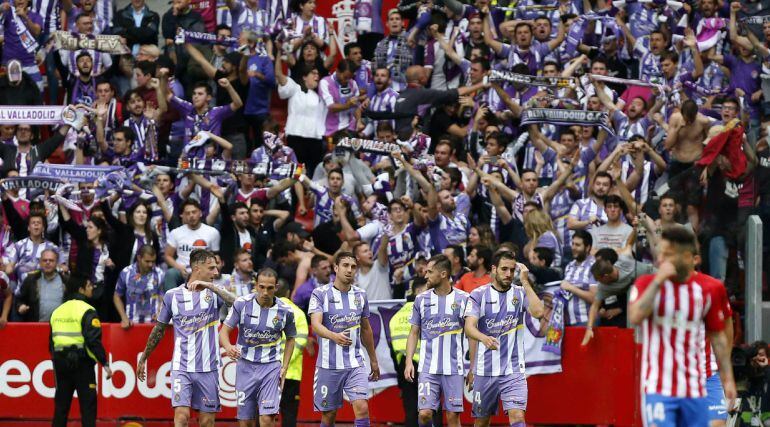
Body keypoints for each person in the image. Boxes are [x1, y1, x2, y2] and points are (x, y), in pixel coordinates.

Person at [629, 226, 736, 426]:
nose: (661, 259)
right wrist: (659, 280)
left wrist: (727, 378)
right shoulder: (646, 284)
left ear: (688, 257)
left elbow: (718, 336)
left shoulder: (709, 289)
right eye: (660, 253)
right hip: (658, 387)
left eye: (668, 255)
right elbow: (635, 316)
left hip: (696, 386)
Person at [136, 249, 236, 427]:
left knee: (206, 421)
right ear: (197, 268)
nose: (216, 272)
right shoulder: (172, 296)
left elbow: (237, 304)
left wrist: (211, 287)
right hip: (182, 366)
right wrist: (144, 356)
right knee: (181, 417)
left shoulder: (214, 293)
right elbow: (159, 329)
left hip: (209, 368)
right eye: (211, 268)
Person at [464, 251, 544, 427]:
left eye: (512, 270)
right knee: (482, 422)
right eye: (504, 269)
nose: (508, 274)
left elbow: (539, 312)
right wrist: (483, 338)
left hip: (513, 370)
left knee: (517, 417)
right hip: (485, 371)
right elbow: (469, 327)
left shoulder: (520, 293)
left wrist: (524, 281)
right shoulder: (478, 295)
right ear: (494, 269)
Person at [308, 251, 380, 427]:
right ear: (336, 268)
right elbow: (315, 325)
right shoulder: (320, 294)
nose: (350, 270)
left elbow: (366, 329)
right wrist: (334, 336)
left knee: (362, 407)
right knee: (329, 414)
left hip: (355, 363)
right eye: (345, 266)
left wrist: (373, 360)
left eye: (353, 267)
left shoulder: (360, 295)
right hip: (328, 365)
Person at [220, 268, 296, 427]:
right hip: (245, 367)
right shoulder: (241, 304)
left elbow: (291, 338)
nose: (265, 292)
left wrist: (285, 366)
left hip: (271, 367)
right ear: (256, 285)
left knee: (267, 419)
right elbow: (224, 332)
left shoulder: (286, 311)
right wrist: (228, 347)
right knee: (246, 421)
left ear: (276, 287)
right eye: (261, 287)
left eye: (270, 288)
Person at [404, 254, 469, 427]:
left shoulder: (464, 299)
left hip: (454, 368)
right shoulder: (421, 300)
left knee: (453, 417)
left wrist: (473, 368)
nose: (425, 276)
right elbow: (413, 332)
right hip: (428, 368)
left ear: (443, 274)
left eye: (430, 272)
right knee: (424, 414)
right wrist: (409, 361)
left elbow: (471, 335)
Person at [50, 275, 112, 427]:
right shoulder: (88, 310)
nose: (92, 288)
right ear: (81, 289)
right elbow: (93, 341)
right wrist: (104, 362)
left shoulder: (57, 311)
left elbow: (50, 342)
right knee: (88, 407)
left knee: (61, 407)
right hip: (82, 364)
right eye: (90, 285)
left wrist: (58, 358)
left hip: (60, 362)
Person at [113, 246, 165, 328]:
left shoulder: (160, 274)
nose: (150, 264)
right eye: (147, 261)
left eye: (153, 261)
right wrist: (124, 317)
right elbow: (117, 296)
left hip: (153, 324)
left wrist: (160, 312)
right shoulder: (126, 273)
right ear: (139, 258)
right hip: (131, 324)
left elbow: (163, 296)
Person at [17, 249, 64, 322]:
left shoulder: (65, 280)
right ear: (40, 263)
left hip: (60, 327)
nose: (47, 263)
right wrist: (20, 306)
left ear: (57, 263)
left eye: (51, 260)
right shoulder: (31, 280)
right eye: (45, 260)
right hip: (36, 327)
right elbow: (19, 299)